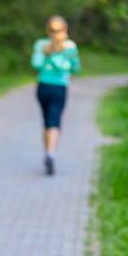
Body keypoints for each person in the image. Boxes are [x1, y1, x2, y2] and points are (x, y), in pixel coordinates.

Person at [30, 15, 81, 176]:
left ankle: (47, 153)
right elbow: (76, 68)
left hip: (43, 87)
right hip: (59, 87)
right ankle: (50, 154)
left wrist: (48, 59)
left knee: (46, 121)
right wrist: (63, 64)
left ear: (48, 30)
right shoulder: (70, 46)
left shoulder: (41, 44)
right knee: (55, 121)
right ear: (65, 30)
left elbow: (35, 64)